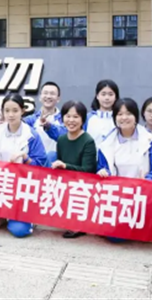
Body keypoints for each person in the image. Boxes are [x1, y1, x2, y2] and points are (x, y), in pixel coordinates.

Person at [0, 94, 47, 237]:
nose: (11, 114)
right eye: (7, 111)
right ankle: (1, 216)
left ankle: (25, 216)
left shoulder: (31, 135)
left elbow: (40, 164)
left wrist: (25, 157)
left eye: (15, 110)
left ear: (22, 111)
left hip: (23, 186)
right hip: (2, 184)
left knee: (20, 230)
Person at [51, 100, 97, 239]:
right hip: (66, 185)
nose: (71, 120)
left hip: (82, 187)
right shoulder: (61, 140)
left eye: (76, 117)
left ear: (83, 119)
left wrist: (66, 166)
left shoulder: (88, 141)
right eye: (68, 116)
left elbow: (88, 170)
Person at [97, 98, 152, 181]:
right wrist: (103, 172)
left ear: (135, 117)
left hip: (143, 187)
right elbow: (102, 167)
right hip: (116, 187)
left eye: (129, 114)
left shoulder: (150, 140)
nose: (124, 117)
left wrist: (148, 180)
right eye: (120, 114)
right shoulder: (106, 143)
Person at [25, 81, 63, 166]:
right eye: (45, 93)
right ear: (40, 97)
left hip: (55, 166)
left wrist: (49, 126)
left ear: (58, 98)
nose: (48, 96)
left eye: (52, 93)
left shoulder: (64, 120)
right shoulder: (31, 120)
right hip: (35, 165)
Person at [86, 79, 120, 148]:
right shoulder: (87, 118)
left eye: (110, 94)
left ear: (116, 97)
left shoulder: (120, 118)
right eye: (103, 94)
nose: (107, 98)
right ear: (97, 96)